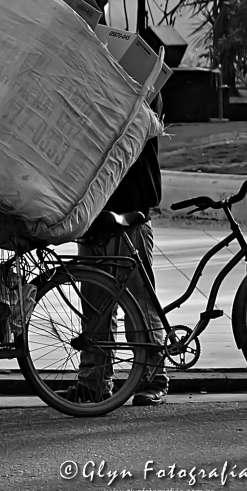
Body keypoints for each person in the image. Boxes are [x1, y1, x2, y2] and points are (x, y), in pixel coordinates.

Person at [63, 93, 168, 407]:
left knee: (139, 302)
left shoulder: (142, 89)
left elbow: (142, 121)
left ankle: (153, 377)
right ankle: (93, 381)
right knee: (96, 307)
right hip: (94, 218)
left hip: (128, 214)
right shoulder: (90, 86)